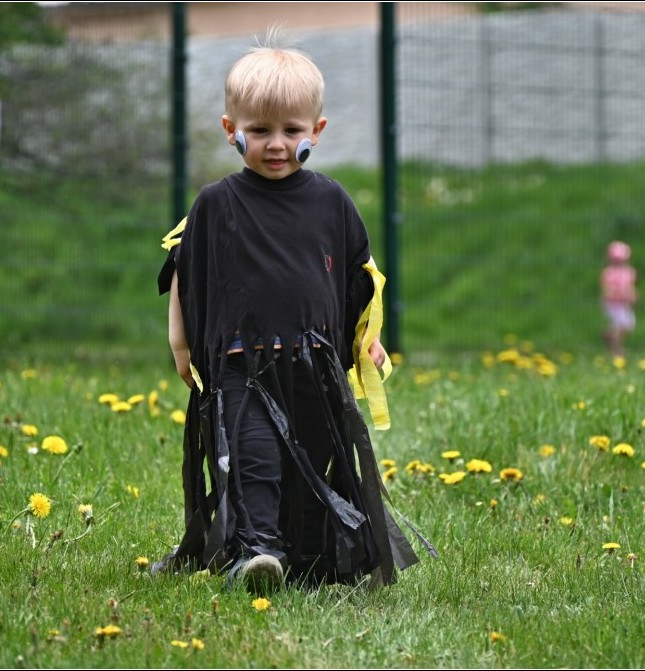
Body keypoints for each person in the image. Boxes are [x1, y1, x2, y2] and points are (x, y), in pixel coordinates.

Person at [153, 39, 431, 591]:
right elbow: (186, 274)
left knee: (307, 465)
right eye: (259, 131)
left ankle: (300, 556)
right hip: (241, 368)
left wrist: (365, 342)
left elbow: (360, 278)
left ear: (316, 130)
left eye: (290, 131)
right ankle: (255, 554)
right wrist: (182, 348)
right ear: (231, 128)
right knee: (254, 460)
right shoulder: (216, 203)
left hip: (314, 369)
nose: (276, 144)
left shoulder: (332, 202)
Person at [600, 241, 637, 357]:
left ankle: (609, 335)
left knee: (628, 324)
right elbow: (607, 290)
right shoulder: (608, 273)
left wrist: (632, 295)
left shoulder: (629, 272)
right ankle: (616, 349)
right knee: (620, 324)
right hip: (613, 304)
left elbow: (630, 287)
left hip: (623, 304)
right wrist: (615, 294)